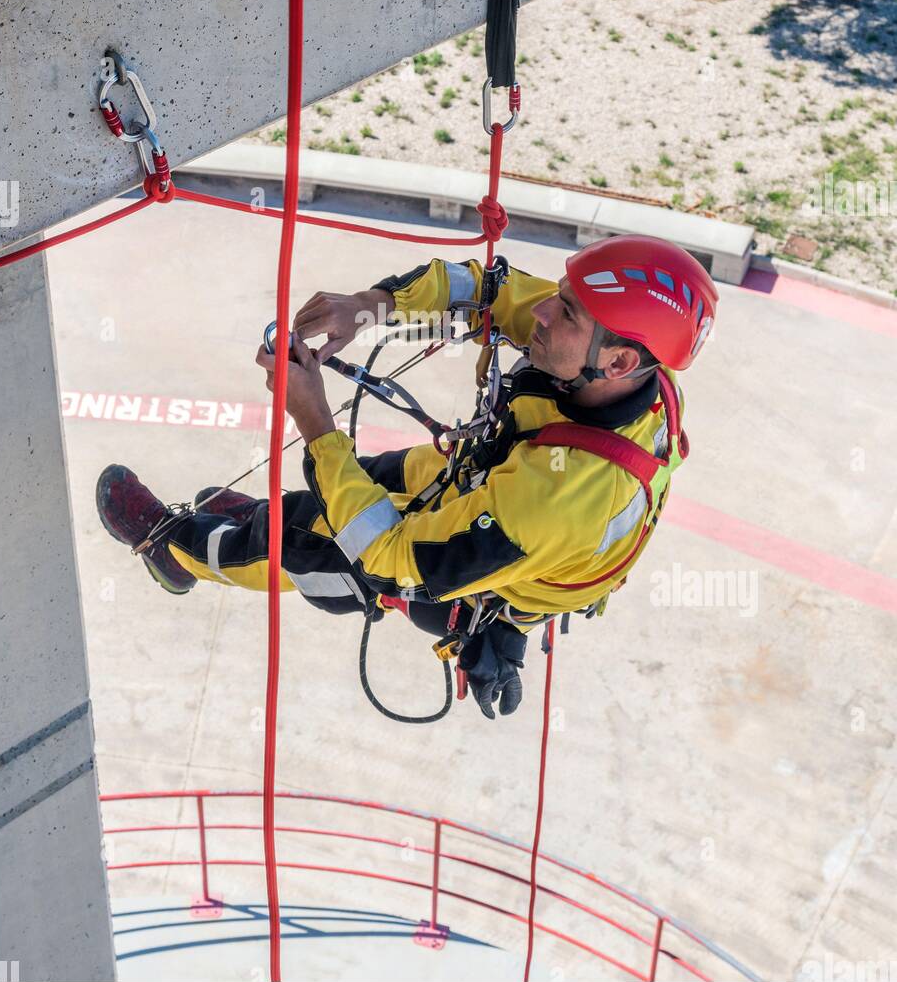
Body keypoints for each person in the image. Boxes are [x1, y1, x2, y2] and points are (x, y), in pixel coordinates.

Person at [97, 234, 717, 719]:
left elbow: (384, 555)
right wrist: (372, 306)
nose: (543, 313)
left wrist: (313, 417)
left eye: (568, 313)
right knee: (346, 488)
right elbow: (488, 289)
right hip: (479, 477)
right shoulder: (626, 372)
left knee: (306, 546)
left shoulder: (563, 502)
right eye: (559, 295)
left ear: (618, 360)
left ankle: (178, 550)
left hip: (472, 557)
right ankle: (259, 517)